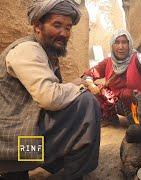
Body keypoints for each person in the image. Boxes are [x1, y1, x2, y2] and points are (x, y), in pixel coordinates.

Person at [0, 1, 101, 180]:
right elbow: (49, 98)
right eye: (57, 25)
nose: (64, 33)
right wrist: (79, 87)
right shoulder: (27, 50)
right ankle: (73, 174)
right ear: (37, 26)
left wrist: (77, 83)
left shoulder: (45, 53)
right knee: (86, 103)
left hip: (16, 144)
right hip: (14, 149)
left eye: (68, 27)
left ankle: (18, 169)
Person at [83, 29, 141, 125]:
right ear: (112, 45)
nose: (121, 47)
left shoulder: (137, 59)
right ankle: (109, 116)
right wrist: (91, 85)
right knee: (89, 91)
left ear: (129, 44)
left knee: (128, 94)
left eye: (124, 42)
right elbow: (89, 74)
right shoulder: (108, 62)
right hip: (116, 103)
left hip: (138, 105)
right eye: (117, 42)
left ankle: (137, 119)